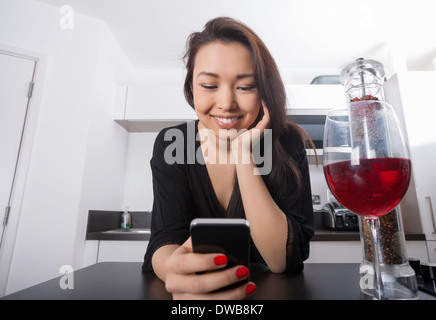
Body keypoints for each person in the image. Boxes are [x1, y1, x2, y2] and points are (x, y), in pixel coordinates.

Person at [142, 17, 314, 300]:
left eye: (245, 86)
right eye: (209, 85)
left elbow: (282, 260)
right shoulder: (171, 143)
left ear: (263, 93)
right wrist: (172, 268)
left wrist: (243, 154)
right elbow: (164, 240)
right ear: (191, 89)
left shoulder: (286, 143)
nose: (226, 103)